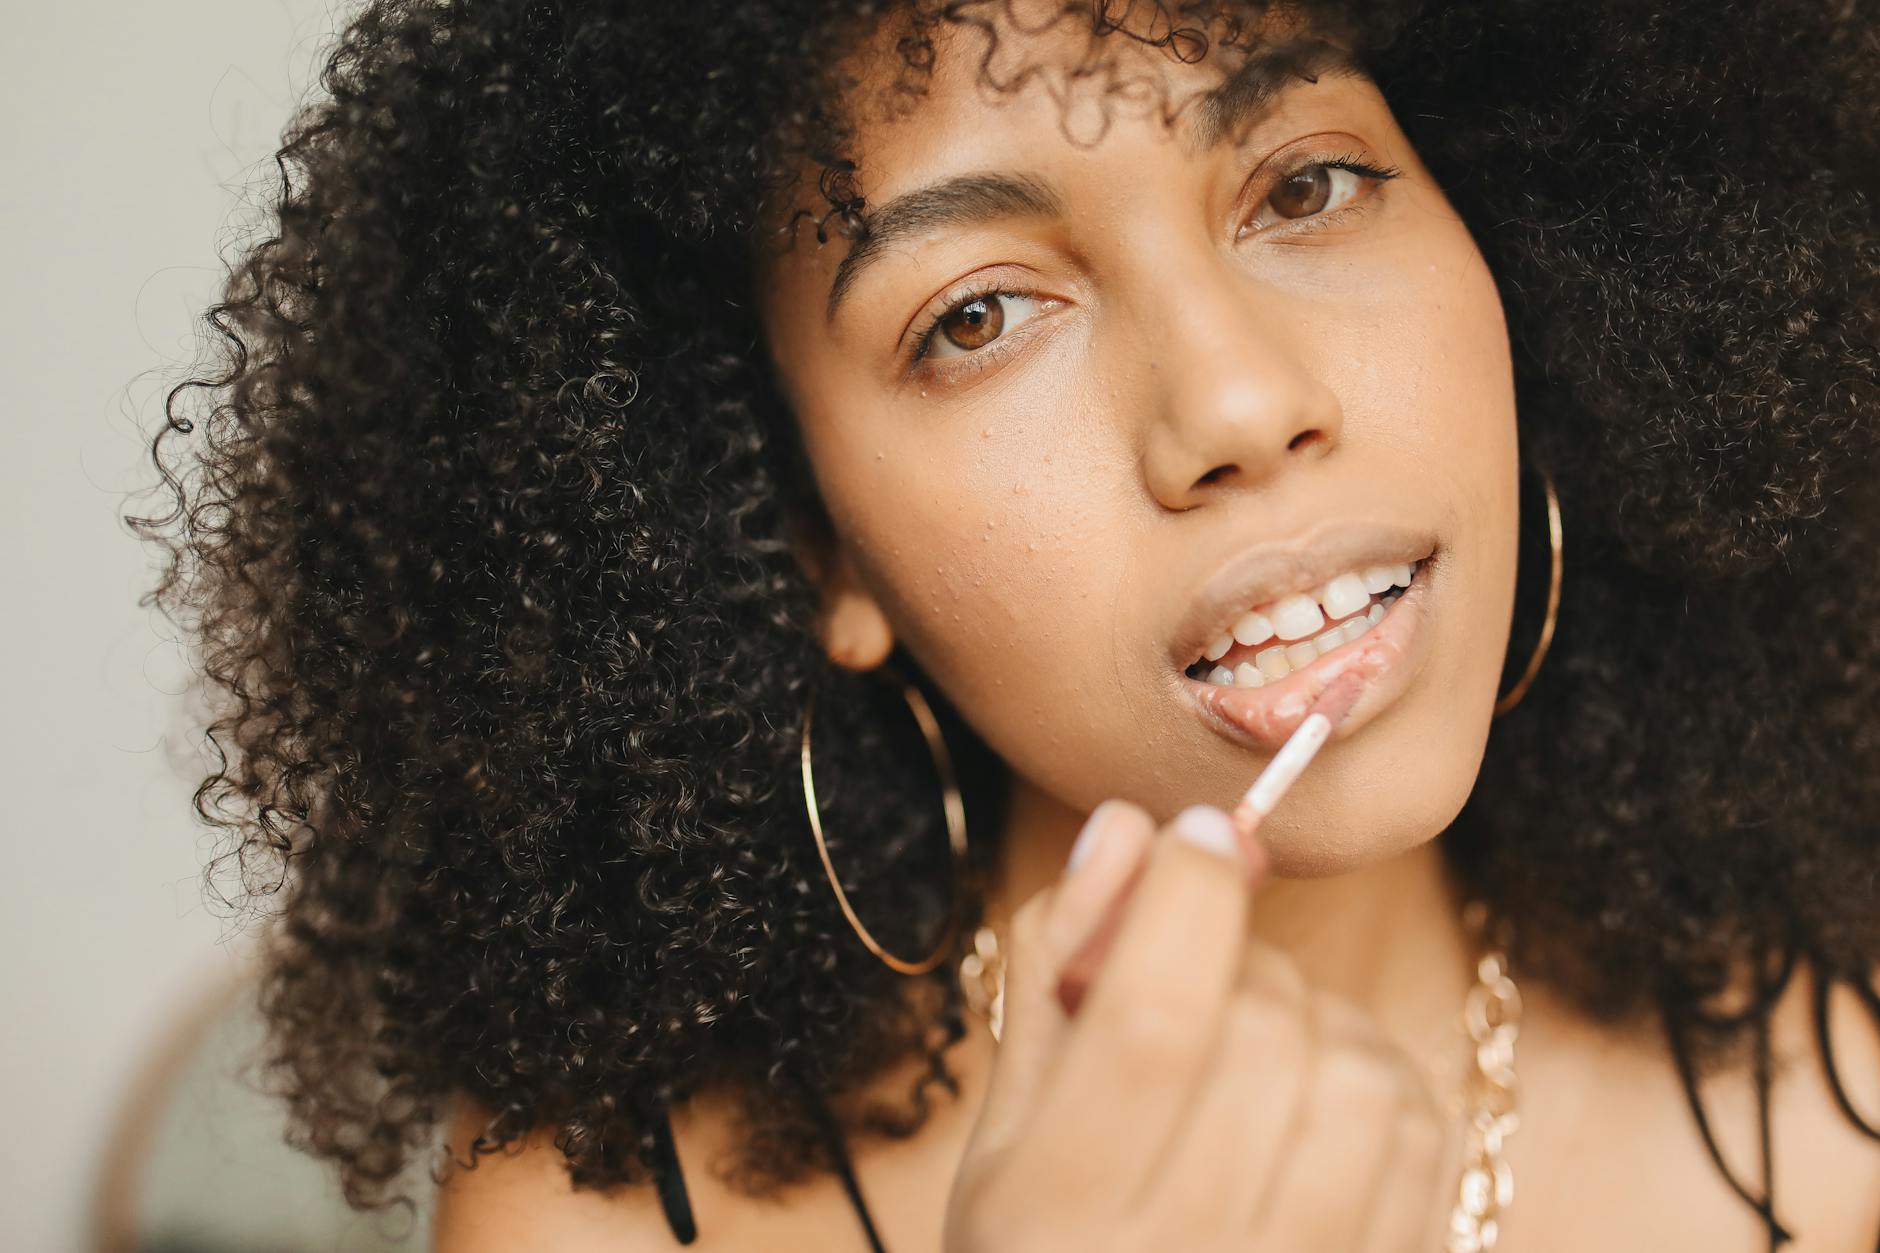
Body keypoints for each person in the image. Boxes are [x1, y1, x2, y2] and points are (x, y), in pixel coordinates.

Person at [129, 0, 1880, 1249]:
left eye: (1307, 182)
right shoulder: (615, 1222)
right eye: (977, 315)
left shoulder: (1832, 1110)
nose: (1239, 401)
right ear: (810, 546)